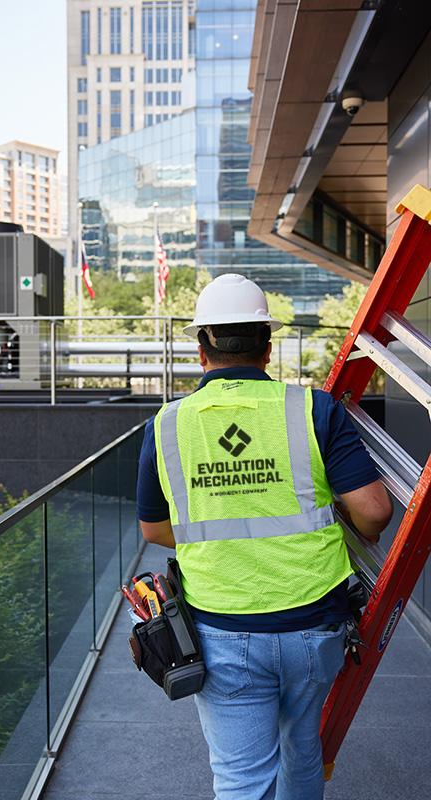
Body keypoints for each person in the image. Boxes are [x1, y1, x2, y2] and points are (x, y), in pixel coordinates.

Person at [136, 273, 392, 800]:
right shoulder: (313, 410)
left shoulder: (165, 426)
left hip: (222, 631)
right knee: (302, 751)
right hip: (315, 624)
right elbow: (373, 514)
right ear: (267, 347)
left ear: (201, 347)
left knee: (241, 779)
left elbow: (155, 529)